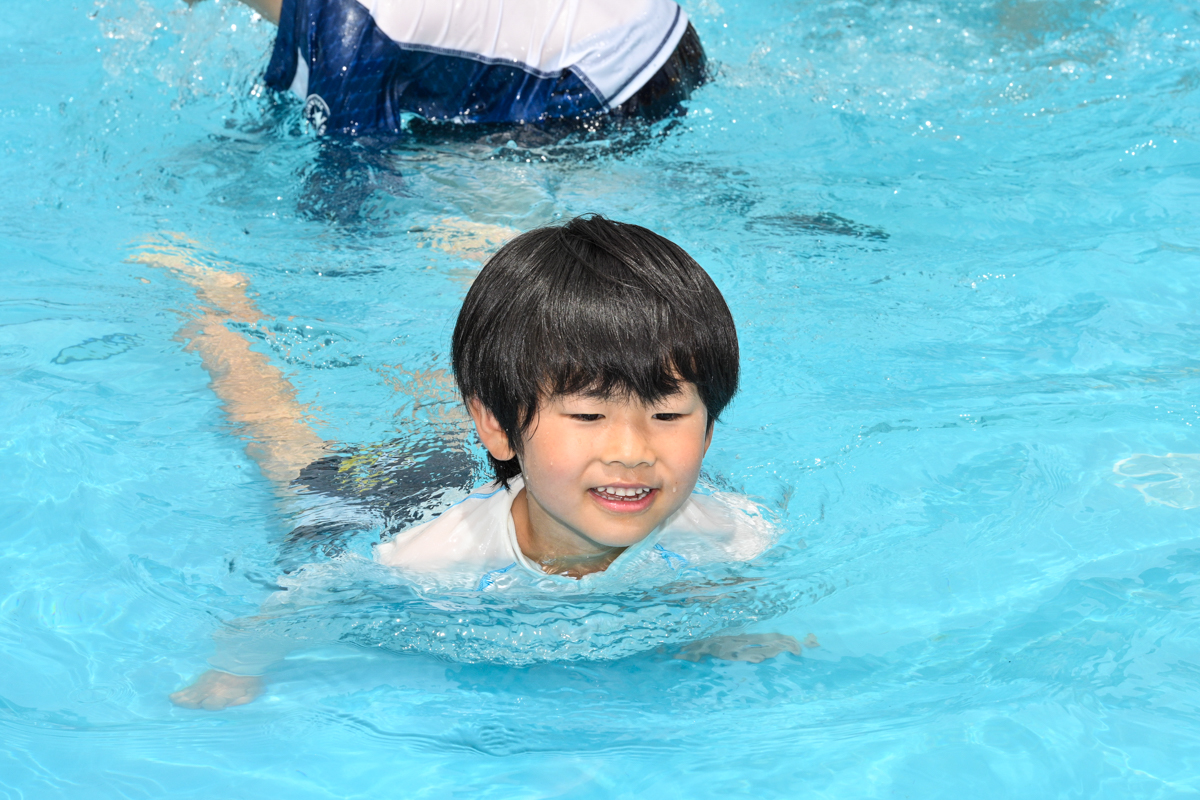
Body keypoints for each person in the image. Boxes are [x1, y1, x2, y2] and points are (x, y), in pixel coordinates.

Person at [143, 216, 802, 711]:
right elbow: (300, 608)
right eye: (588, 416)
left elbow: (717, 590)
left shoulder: (734, 534)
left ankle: (476, 258)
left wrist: (729, 631)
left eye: (667, 416)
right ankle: (216, 314)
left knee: (501, 392)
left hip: (526, 473)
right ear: (496, 428)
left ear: (709, 428)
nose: (633, 451)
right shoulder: (422, 563)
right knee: (291, 451)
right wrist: (235, 670)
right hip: (391, 506)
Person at [200, 0, 708, 136]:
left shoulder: (347, 29)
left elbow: (352, 219)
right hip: (663, 27)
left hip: (611, 82)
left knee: (449, 210)